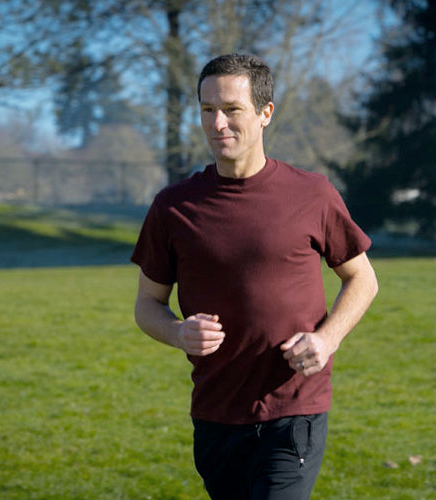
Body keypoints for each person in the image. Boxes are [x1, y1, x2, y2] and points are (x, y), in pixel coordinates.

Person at [131, 53, 378, 500]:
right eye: (208, 110)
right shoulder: (173, 206)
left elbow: (362, 279)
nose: (217, 123)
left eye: (232, 109)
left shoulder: (312, 194)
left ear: (265, 114)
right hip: (215, 413)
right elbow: (147, 304)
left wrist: (326, 340)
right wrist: (177, 332)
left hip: (293, 411)